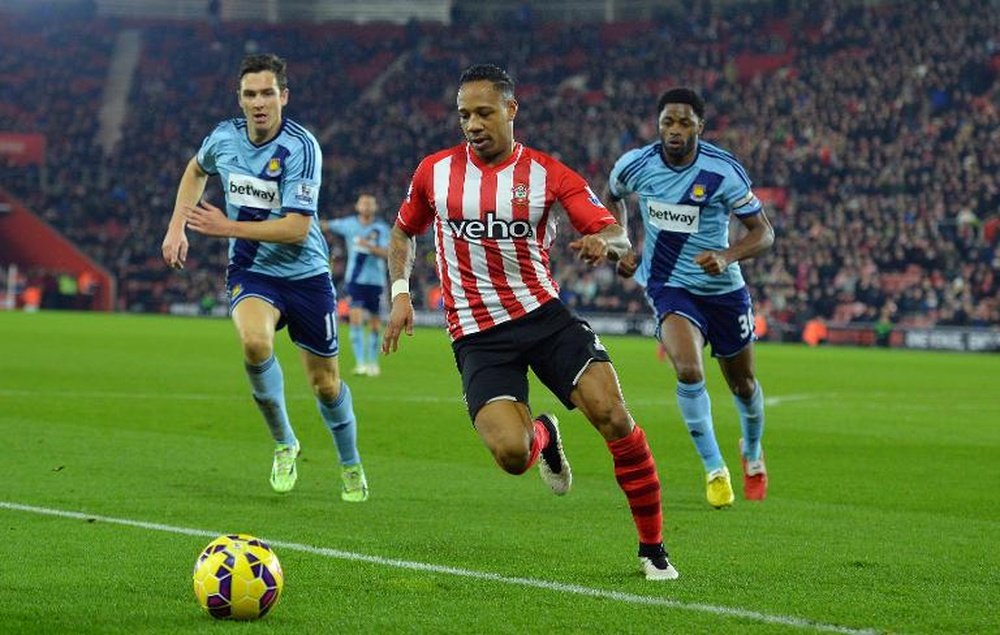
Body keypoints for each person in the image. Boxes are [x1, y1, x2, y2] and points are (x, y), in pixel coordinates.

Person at [382, 64, 678, 580]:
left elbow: (618, 235)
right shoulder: (434, 172)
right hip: (477, 336)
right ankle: (543, 433)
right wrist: (401, 293)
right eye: (463, 115)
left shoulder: (546, 174)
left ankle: (652, 549)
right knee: (513, 455)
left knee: (612, 414)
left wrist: (600, 243)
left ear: (511, 110)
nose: (472, 124)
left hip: (544, 317)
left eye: (483, 112)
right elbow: (403, 232)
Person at [160, 53, 369, 502]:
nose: (259, 102)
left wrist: (226, 227)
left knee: (325, 384)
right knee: (255, 344)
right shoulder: (223, 139)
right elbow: (196, 170)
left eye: (267, 93)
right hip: (254, 271)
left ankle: (349, 463)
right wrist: (177, 225)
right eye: (250, 94)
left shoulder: (301, 147)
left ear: (283, 97)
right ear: (240, 99)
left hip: (307, 273)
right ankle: (285, 443)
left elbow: (296, 228)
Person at [609, 87, 774, 509]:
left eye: (685, 122)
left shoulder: (723, 171)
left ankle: (752, 453)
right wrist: (622, 245)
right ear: (658, 125)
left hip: (723, 291)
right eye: (668, 122)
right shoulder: (635, 165)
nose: (675, 130)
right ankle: (715, 469)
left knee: (743, 383)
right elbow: (612, 199)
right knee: (687, 369)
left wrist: (726, 255)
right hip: (669, 286)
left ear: (700, 125)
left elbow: (763, 233)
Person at [327, 193, 391, 377]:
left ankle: (373, 363)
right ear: (357, 206)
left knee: (374, 323)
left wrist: (368, 246)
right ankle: (361, 363)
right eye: (363, 203)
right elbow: (326, 224)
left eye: (370, 203)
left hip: (375, 281)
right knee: (355, 319)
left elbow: (387, 253)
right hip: (355, 280)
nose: (366, 206)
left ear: (375, 207)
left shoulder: (381, 229)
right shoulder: (349, 224)